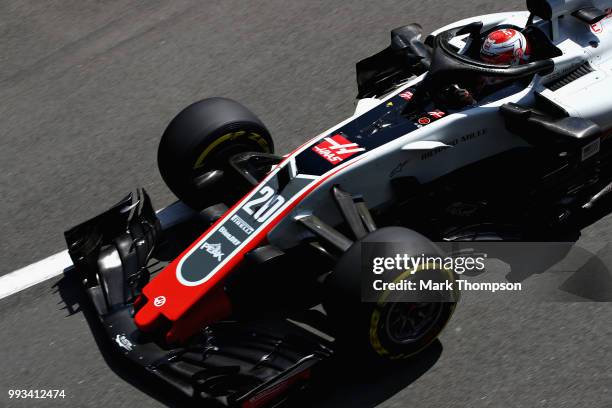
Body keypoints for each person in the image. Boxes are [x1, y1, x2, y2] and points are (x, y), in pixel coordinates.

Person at [440, 28, 531, 109]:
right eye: (485, 60)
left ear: (514, 61)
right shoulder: (485, 75)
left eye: (492, 63)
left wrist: (470, 101)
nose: (486, 65)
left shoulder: (515, 89)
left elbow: (484, 110)